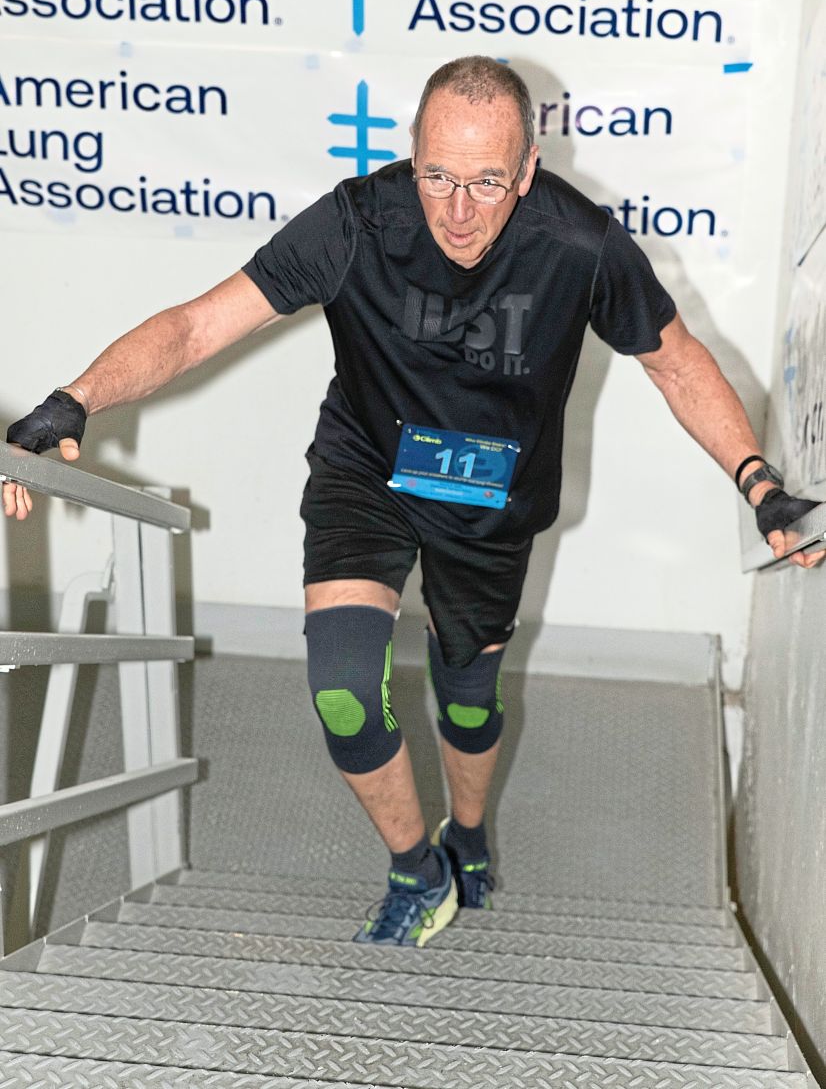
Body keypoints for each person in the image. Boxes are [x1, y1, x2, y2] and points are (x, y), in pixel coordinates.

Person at [4, 56, 822, 949]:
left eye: (485, 183)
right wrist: (77, 394)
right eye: (438, 175)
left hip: (491, 499)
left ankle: (467, 834)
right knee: (350, 694)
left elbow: (674, 359)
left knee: (465, 697)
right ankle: (414, 866)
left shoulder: (579, 246)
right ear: (413, 156)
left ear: (528, 172)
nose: (458, 212)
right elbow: (198, 325)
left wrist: (759, 482)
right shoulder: (359, 223)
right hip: (369, 472)